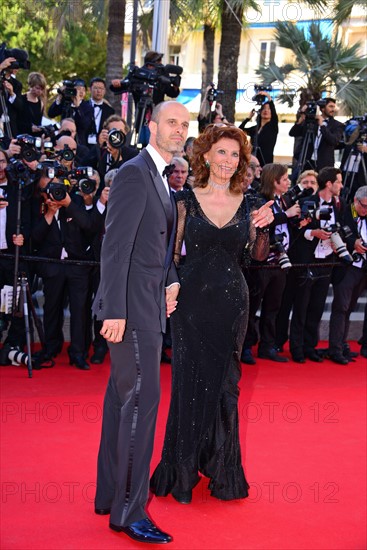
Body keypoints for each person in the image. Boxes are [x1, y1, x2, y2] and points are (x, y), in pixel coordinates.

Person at [150, 123, 273, 504]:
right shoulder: (184, 200)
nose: (228, 160)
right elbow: (170, 256)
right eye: (221, 152)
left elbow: (257, 257)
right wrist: (168, 291)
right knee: (188, 385)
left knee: (226, 387)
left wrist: (264, 230)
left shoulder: (251, 203)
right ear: (205, 155)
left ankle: (222, 471)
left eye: (235, 154)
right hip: (191, 306)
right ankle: (182, 471)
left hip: (233, 303)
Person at [93, 101, 190, 544]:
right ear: (151, 127)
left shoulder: (161, 177)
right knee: (140, 404)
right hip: (130, 311)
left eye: (185, 124)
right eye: (171, 122)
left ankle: (110, 493)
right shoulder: (136, 172)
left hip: (148, 302)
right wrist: (113, 309)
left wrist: (169, 281)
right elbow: (115, 246)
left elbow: (155, 246)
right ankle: (129, 512)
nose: (179, 130)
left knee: (122, 401)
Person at [241, 164, 300, 365]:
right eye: (284, 179)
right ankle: (246, 347)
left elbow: (287, 223)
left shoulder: (285, 201)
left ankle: (267, 346)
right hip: (261, 264)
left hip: (281, 264)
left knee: (274, 307)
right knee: (252, 307)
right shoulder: (257, 199)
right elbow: (261, 221)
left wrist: (298, 220)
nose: (288, 183)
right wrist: (287, 215)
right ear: (274, 181)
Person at [289, 167, 346, 363]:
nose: (341, 185)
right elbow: (295, 230)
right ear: (329, 184)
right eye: (338, 181)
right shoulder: (307, 202)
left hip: (327, 262)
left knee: (317, 307)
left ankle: (310, 346)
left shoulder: (339, 205)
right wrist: (313, 233)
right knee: (301, 306)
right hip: (307, 260)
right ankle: (296, 348)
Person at [327, 186, 367, 364]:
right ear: (356, 201)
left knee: (349, 308)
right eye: (364, 206)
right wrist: (353, 243)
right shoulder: (344, 211)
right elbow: (335, 233)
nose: (366, 210)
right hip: (346, 268)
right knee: (341, 308)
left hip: (362, 268)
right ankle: (335, 349)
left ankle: (342, 345)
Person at [239, 91, 278, 166]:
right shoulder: (255, 128)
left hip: (266, 162)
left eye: (268, 109)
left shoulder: (273, 126)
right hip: (253, 160)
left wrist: (268, 96)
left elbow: (274, 112)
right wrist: (248, 118)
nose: (266, 111)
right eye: (264, 109)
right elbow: (240, 130)